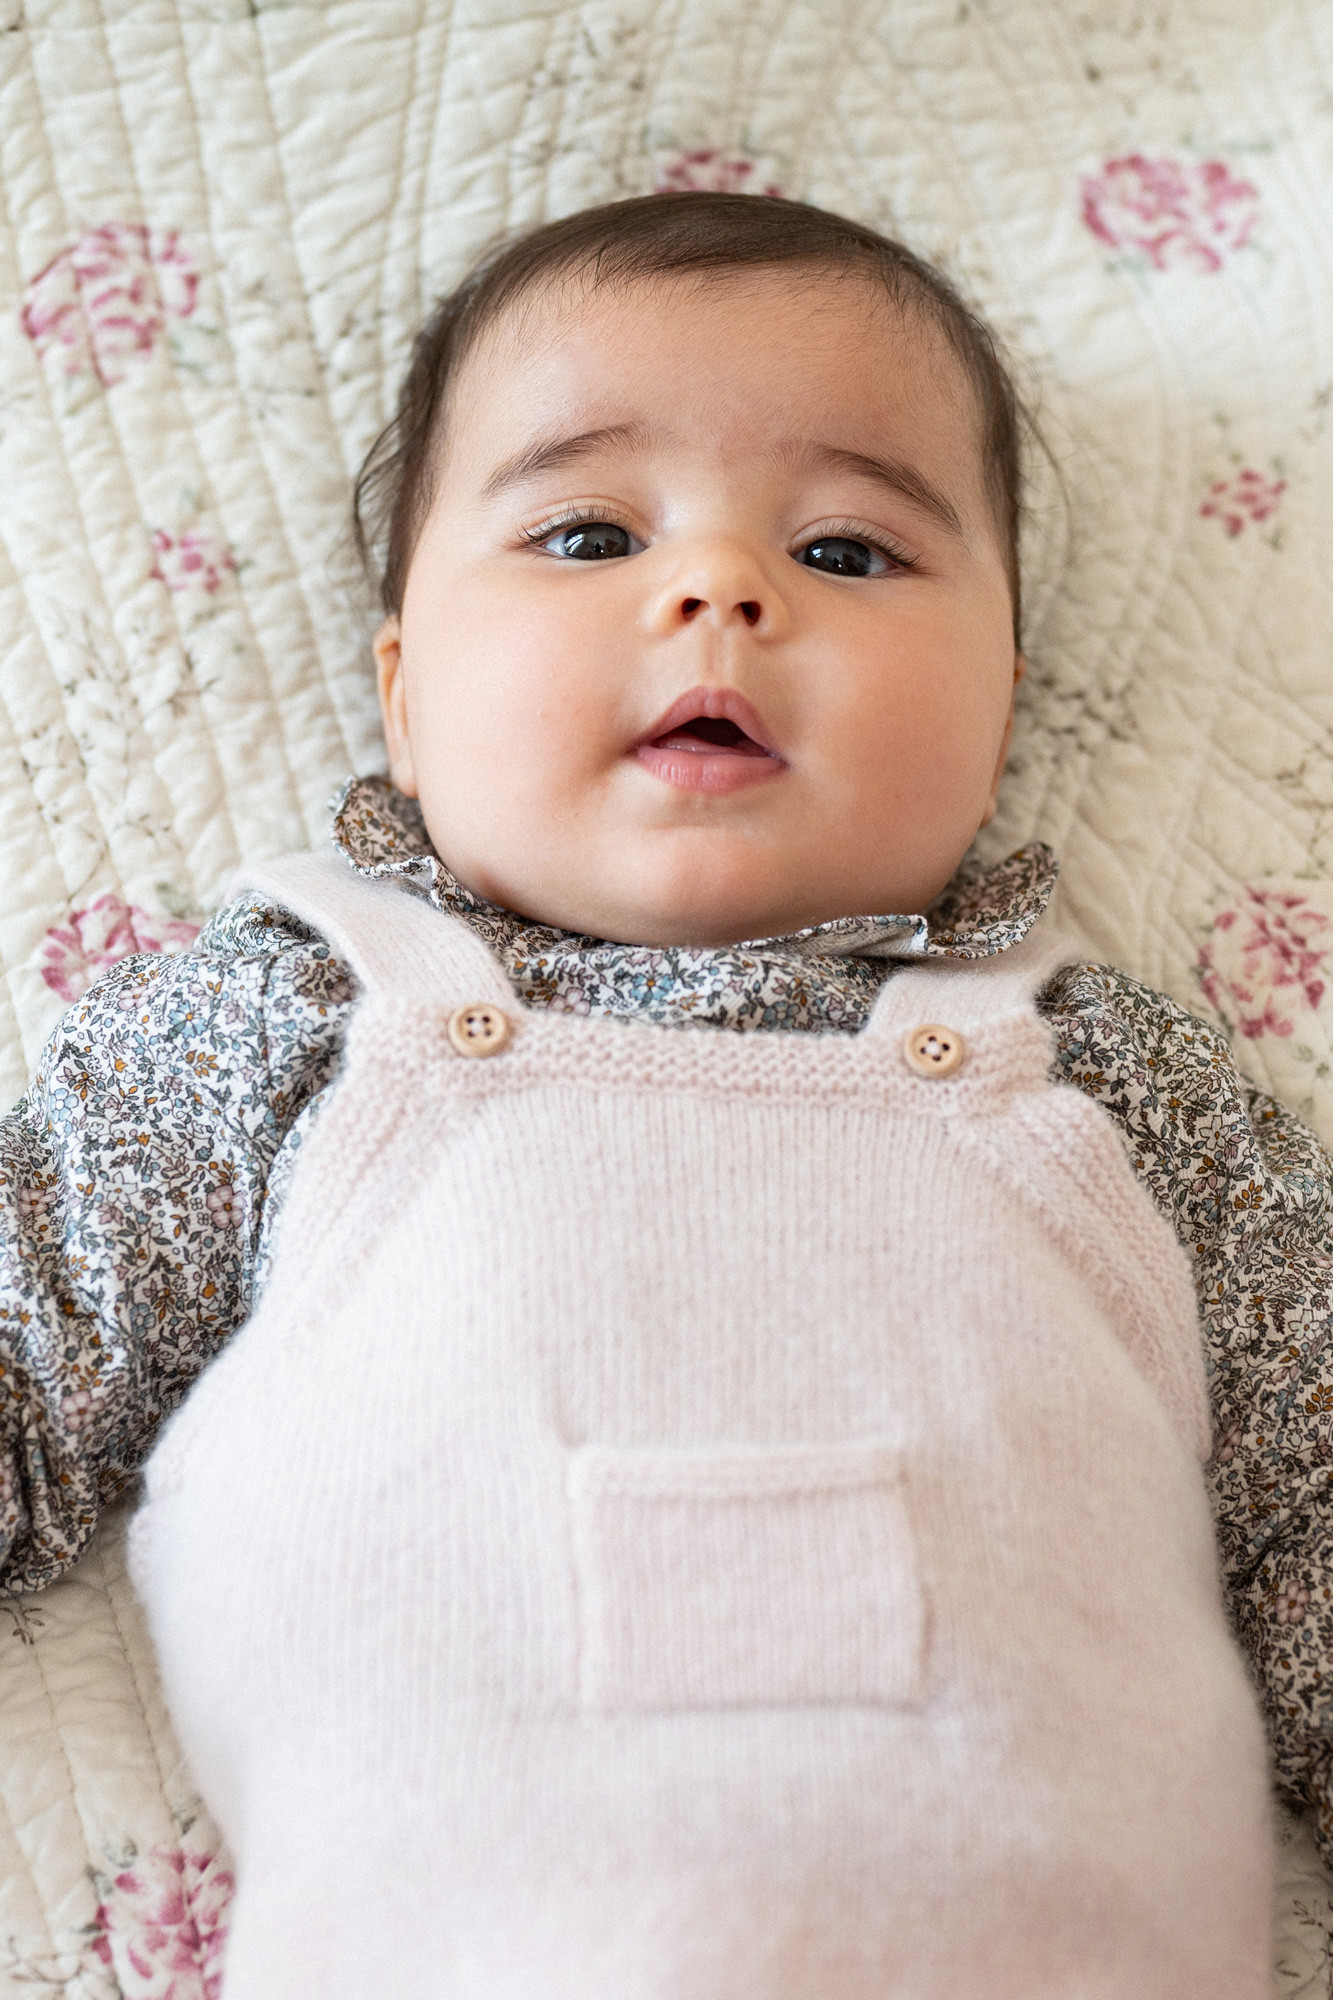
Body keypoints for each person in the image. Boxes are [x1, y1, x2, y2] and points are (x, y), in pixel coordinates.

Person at [2, 192, 1328, 1996]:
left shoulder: (1112, 1081)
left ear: (1002, 699)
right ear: (404, 692)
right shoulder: (292, 1017)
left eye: (852, 553)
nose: (719, 590)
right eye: (585, 529)